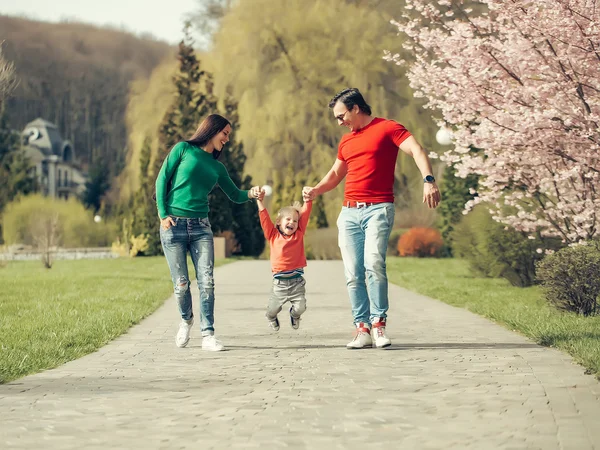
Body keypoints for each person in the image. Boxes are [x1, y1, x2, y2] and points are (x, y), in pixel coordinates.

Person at [303, 88, 441, 349]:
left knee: (374, 264)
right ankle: (361, 328)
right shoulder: (346, 142)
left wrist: (429, 180)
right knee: (353, 273)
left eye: (341, 115)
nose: (339, 122)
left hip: (379, 209)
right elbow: (335, 175)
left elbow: (416, 150)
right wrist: (315, 189)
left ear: (356, 108)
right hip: (349, 212)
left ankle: (379, 324)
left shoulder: (388, 128)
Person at [155, 114, 262, 351]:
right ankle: (186, 320)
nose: (227, 139)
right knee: (181, 284)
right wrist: (163, 214)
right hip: (173, 225)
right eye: (225, 133)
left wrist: (252, 194)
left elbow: (235, 194)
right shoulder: (183, 150)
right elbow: (162, 179)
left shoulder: (217, 167)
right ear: (211, 130)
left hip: (201, 228)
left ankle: (208, 335)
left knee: (207, 281)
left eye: (229, 135)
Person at [256, 190, 313, 332]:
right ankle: (271, 317)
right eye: (288, 219)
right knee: (272, 309)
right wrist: (259, 201)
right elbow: (264, 218)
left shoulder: (299, 234)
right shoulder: (272, 235)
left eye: (294, 220)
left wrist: (308, 200)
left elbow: (305, 215)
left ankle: (294, 315)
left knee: (301, 307)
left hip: (297, 282)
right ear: (278, 222)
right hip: (279, 285)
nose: (292, 223)